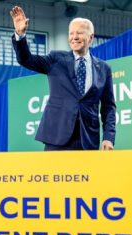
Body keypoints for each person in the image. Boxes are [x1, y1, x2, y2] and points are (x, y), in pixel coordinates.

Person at [10, 6, 116, 151]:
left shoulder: (104, 68)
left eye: (79, 33)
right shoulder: (56, 59)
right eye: (71, 33)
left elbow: (108, 107)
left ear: (90, 38)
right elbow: (26, 60)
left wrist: (108, 137)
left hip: (87, 140)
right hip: (57, 137)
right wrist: (20, 35)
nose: (74, 37)